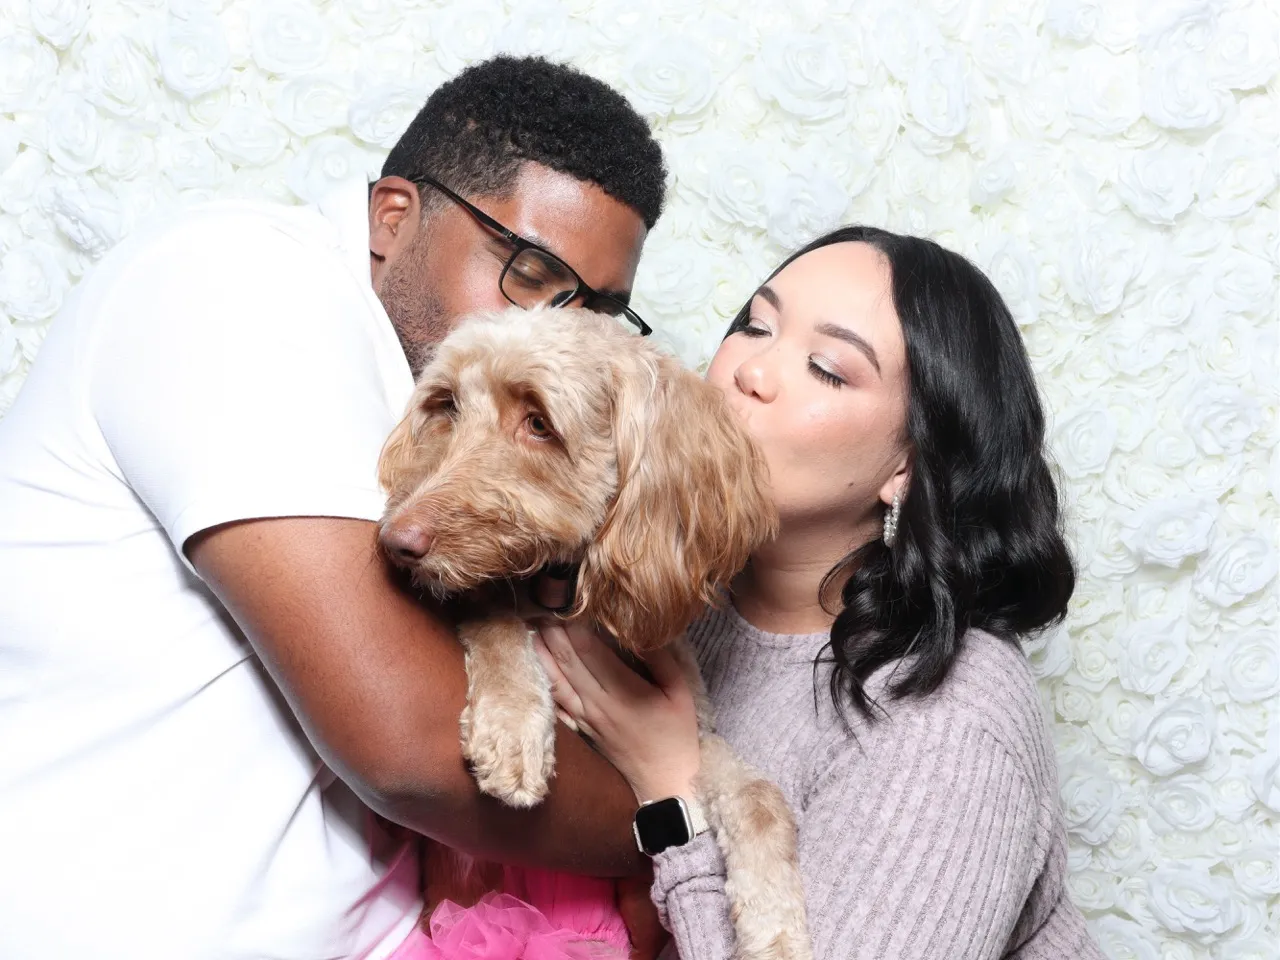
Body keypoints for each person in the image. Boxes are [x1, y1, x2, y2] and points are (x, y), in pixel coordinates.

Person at [0, 56, 667, 960]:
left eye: (594, 309)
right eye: (528, 271)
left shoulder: (454, 412)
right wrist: (685, 809)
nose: (555, 328)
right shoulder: (238, 283)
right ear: (394, 217)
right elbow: (414, 749)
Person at [537, 227, 1107, 959]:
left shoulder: (951, 721)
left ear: (908, 464)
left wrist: (670, 789)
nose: (752, 371)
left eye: (826, 369)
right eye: (755, 325)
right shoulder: (676, 597)